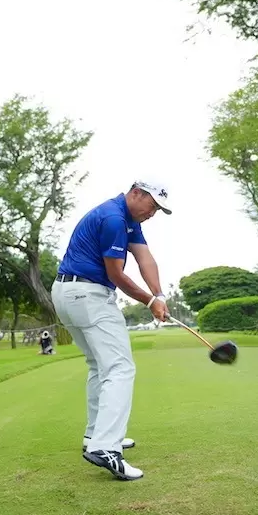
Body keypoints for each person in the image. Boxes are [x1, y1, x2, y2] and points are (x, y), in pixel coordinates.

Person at [51, 179, 171, 481]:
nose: (152, 213)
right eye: (152, 205)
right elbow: (115, 274)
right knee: (120, 368)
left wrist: (160, 295)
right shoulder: (114, 218)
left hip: (67, 292)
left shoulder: (128, 219)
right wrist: (149, 302)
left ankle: (95, 436)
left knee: (98, 366)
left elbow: (145, 258)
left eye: (158, 210)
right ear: (136, 193)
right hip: (88, 295)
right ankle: (105, 447)